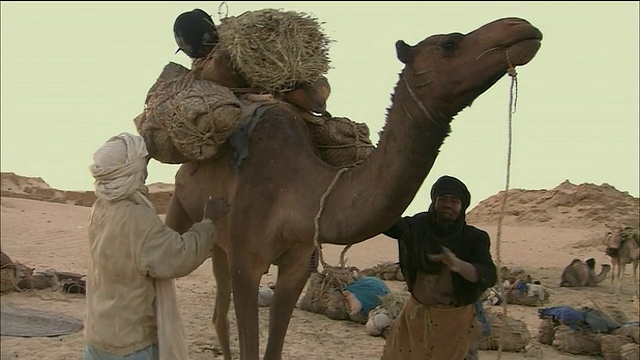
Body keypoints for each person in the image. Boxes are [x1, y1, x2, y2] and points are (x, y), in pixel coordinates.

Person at [83, 132, 230, 360]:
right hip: (130, 345)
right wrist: (208, 222)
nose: (145, 169)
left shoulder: (100, 207)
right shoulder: (137, 217)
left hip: (97, 335)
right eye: (142, 163)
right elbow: (178, 256)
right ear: (132, 171)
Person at [380, 175, 497, 360]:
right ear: (434, 201)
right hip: (415, 320)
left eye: (454, 200)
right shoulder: (416, 227)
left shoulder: (475, 238)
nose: (447, 205)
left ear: (462, 206)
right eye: (442, 199)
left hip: (455, 323)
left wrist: (457, 265)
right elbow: (384, 221)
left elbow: (489, 275)